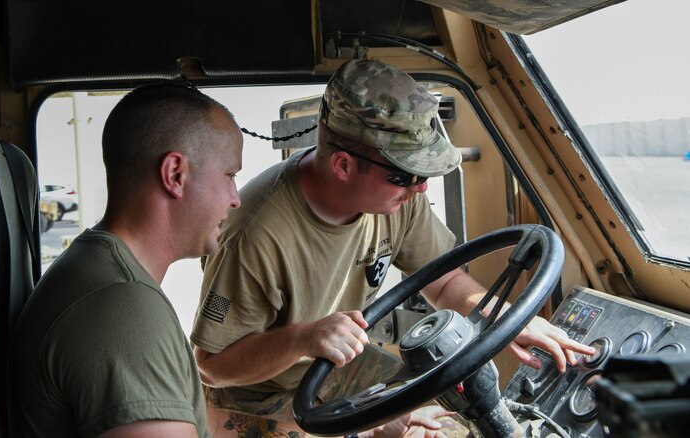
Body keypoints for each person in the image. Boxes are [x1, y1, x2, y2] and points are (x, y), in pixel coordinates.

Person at [190, 59, 596, 437]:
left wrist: (507, 319)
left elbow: (445, 281)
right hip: (257, 393)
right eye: (405, 174)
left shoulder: (399, 197)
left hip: (339, 364)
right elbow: (212, 365)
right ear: (343, 166)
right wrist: (301, 339)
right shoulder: (255, 236)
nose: (420, 187)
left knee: (454, 425)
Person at [11, 82, 243, 438]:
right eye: (230, 176)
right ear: (175, 175)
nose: (235, 199)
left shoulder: (101, 272)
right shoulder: (122, 306)